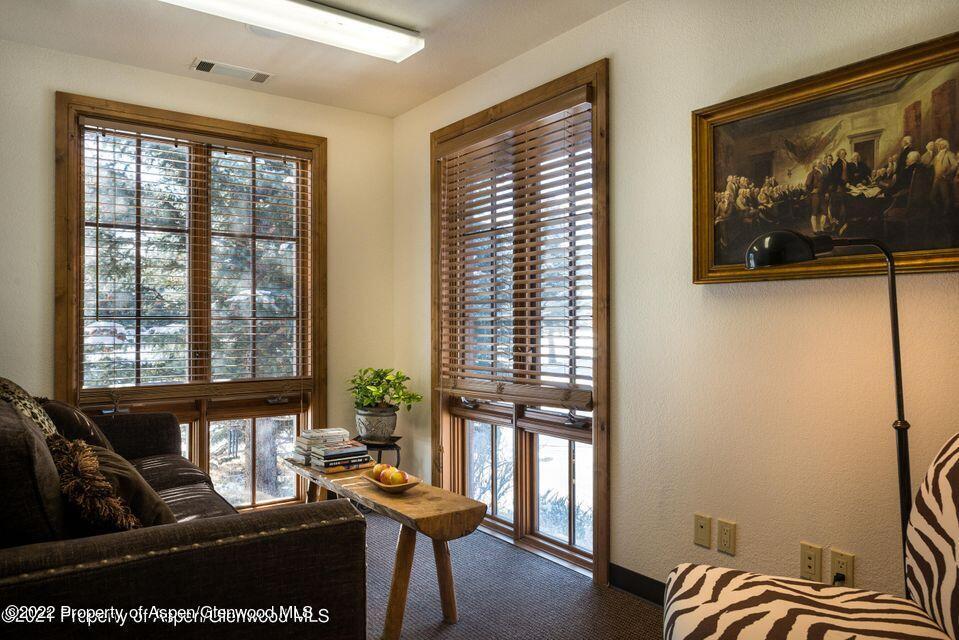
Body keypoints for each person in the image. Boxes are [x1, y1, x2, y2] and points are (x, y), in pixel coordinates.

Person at [931, 138, 957, 216]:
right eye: (939, 144)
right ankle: (937, 211)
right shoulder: (938, 155)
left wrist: (946, 174)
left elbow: (955, 165)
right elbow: (932, 165)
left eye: (942, 144)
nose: (940, 145)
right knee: (932, 197)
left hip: (944, 179)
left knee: (945, 197)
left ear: (946, 145)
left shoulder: (950, 154)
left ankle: (946, 213)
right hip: (936, 178)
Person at [804, 161, 826, 232]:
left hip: (821, 194)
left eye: (820, 162)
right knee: (814, 212)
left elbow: (823, 184)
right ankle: (815, 230)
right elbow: (807, 184)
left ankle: (822, 229)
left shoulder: (822, 172)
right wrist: (812, 190)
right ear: (815, 165)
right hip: (815, 196)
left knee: (825, 212)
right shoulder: (812, 173)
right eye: (819, 163)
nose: (821, 164)